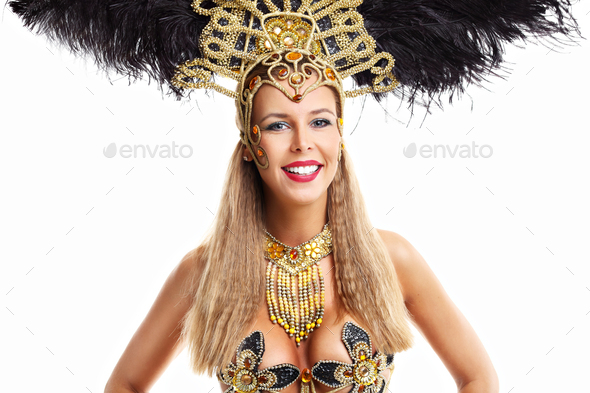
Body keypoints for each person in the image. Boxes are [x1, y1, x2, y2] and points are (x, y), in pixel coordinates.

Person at [6, 0, 580, 392]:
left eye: (321, 120)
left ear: (340, 134)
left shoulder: (392, 259)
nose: (304, 144)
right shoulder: (203, 272)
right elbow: (125, 385)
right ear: (251, 143)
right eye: (279, 124)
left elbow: (480, 379)